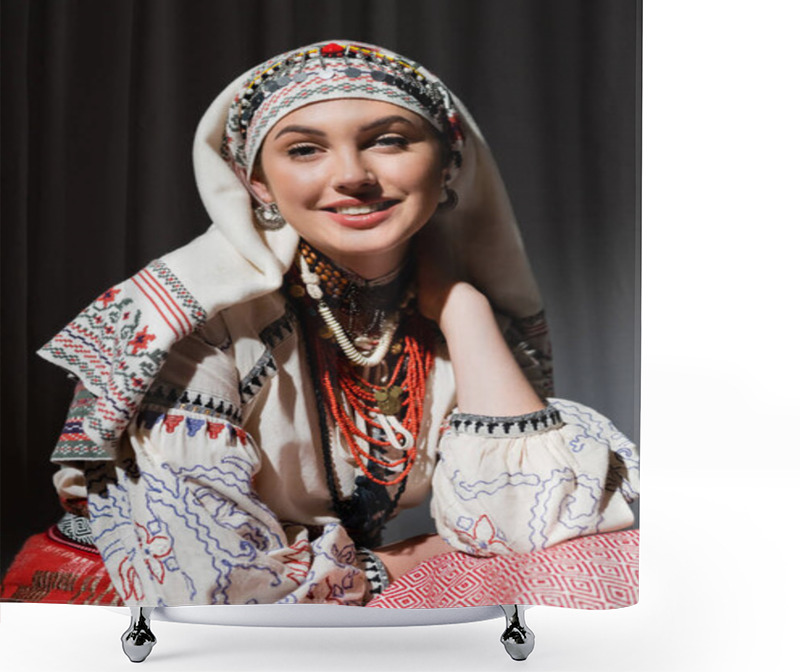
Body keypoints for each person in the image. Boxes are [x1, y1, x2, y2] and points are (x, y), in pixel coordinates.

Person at [4, 40, 639, 607]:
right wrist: (415, 556)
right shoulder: (196, 325)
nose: (353, 177)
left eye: (388, 140)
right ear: (257, 185)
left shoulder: (449, 321)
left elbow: (545, 521)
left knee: (614, 562)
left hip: (328, 603)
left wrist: (463, 307)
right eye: (304, 150)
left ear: (448, 166)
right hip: (142, 616)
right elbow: (216, 587)